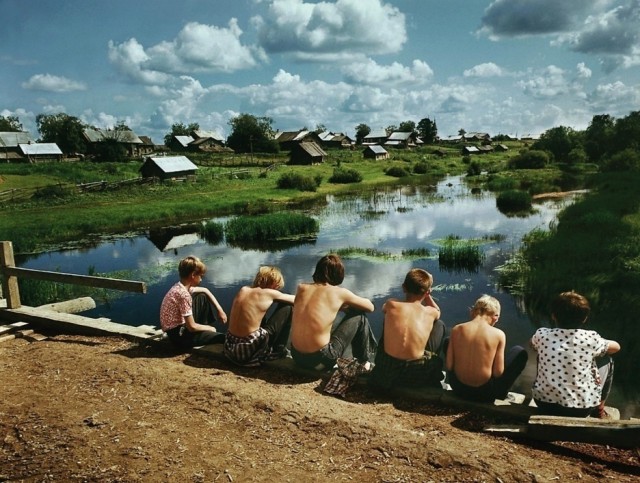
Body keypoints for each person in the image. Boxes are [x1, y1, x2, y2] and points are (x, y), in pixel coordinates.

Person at [531, 291, 621, 418]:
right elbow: (616, 347)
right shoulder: (591, 338)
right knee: (607, 359)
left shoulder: (542, 334)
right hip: (581, 409)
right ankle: (599, 409)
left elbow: (532, 343)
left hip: (543, 403)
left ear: (553, 316)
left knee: (540, 352)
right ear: (584, 318)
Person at [290, 254, 377, 371]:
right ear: (338, 273)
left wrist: (338, 307)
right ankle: (364, 362)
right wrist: (346, 305)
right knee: (359, 316)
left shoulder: (301, 287)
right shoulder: (339, 293)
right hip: (320, 360)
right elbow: (370, 307)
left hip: (297, 357)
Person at [369, 268, 445, 392]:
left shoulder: (391, 304)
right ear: (427, 292)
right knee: (439, 325)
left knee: (388, 318)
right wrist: (428, 295)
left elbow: (384, 309)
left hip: (386, 372)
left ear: (404, 287)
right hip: (414, 376)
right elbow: (438, 312)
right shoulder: (430, 312)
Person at [445, 295, 527, 402]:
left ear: (473, 312)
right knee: (519, 352)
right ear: (495, 316)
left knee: (448, 341)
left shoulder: (457, 329)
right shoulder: (499, 334)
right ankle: (502, 394)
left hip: (458, 388)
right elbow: (498, 373)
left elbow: (449, 366)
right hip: (485, 393)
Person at [224, 266, 295, 367]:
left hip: (231, 347)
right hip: (248, 351)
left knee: (260, 311)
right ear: (273, 283)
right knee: (287, 306)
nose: (278, 289)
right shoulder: (268, 293)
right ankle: (279, 349)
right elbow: (296, 300)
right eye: (277, 286)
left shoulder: (244, 289)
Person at [159, 255, 227, 350]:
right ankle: (205, 332)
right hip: (179, 337)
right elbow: (191, 327)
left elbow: (205, 290)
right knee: (221, 337)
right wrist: (210, 328)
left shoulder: (179, 287)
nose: (201, 279)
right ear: (193, 275)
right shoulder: (183, 295)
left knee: (201, 296)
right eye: (200, 276)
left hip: (173, 330)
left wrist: (220, 310)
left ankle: (203, 331)